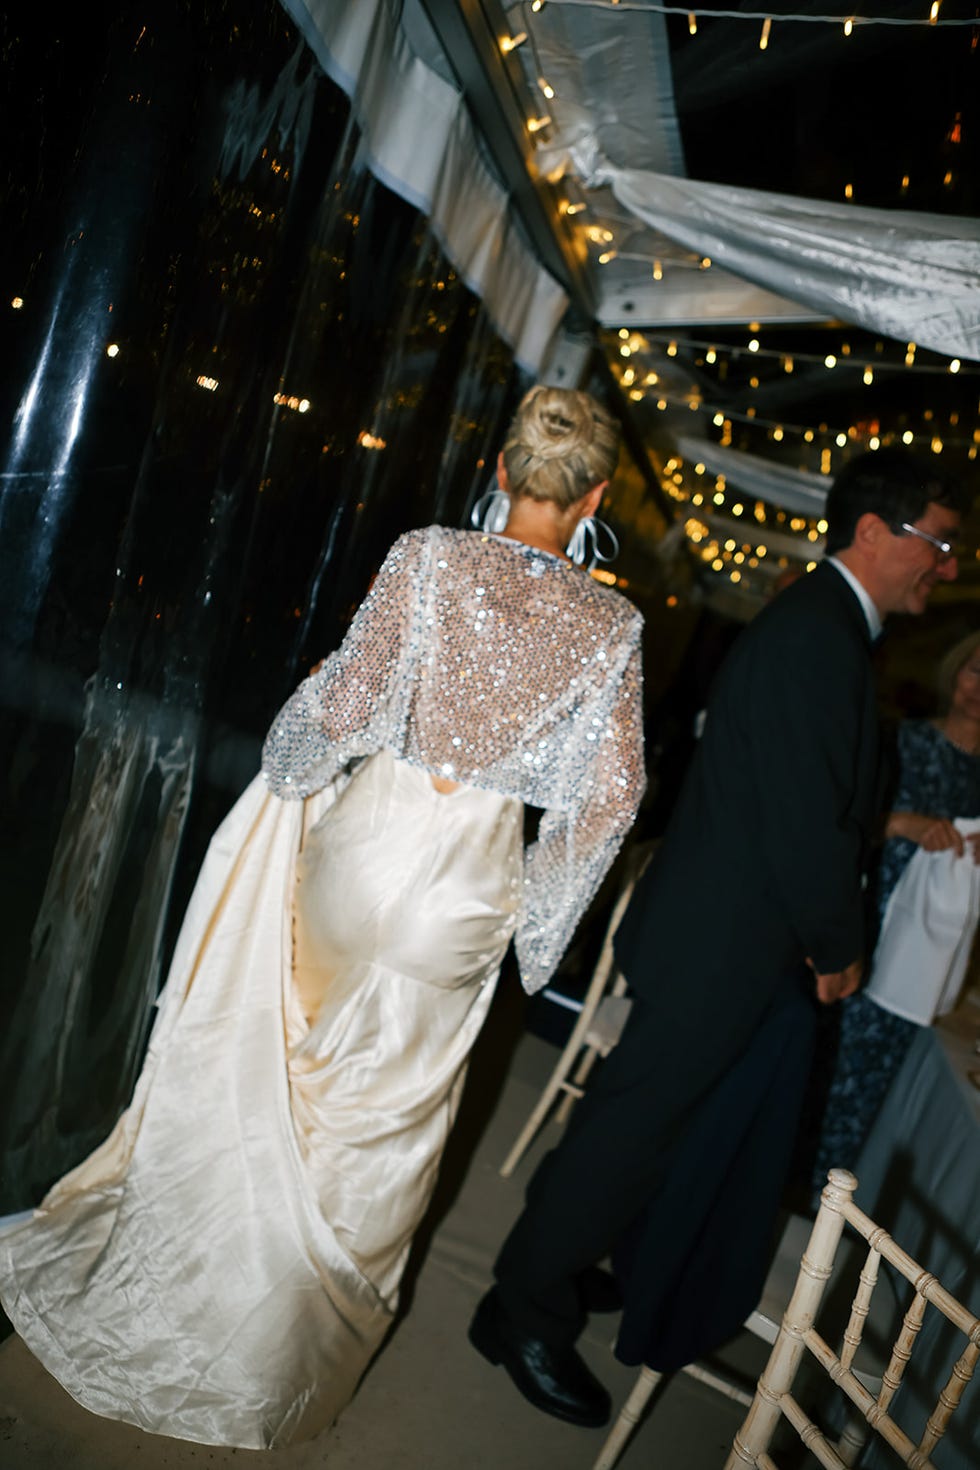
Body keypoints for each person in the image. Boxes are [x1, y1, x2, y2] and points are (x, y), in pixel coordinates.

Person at [0, 386, 645, 1449]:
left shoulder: (429, 558)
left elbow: (344, 699)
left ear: (501, 471)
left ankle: (192, 1285)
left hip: (359, 853)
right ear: (596, 496)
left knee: (283, 1072)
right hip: (464, 887)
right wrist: (536, 928)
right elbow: (606, 799)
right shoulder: (609, 625)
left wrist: (291, 764)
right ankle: (274, 1365)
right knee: (378, 1133)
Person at [471, 447, 966, 1429]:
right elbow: (798, 820)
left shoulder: (826, 629)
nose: (947, 567)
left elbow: (814, 802)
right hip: (719, 949)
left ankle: (566, 1268)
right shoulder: (817, 637)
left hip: (721, 939)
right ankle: (518, 1309)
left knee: (649, 1130)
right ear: (873, 533)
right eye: (938, 544)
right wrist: (837, 947)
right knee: (627, 1129)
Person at [810, 628, 980, 1183]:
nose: (979, 687)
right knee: (829, 1067)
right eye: (976, 669)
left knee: (888, 1084)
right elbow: (836, 823)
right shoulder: (901, 743)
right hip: (868, 925)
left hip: (937, 953)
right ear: (956, 669)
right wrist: (904, 824)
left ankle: (840, 1210)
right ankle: (798, 1193)